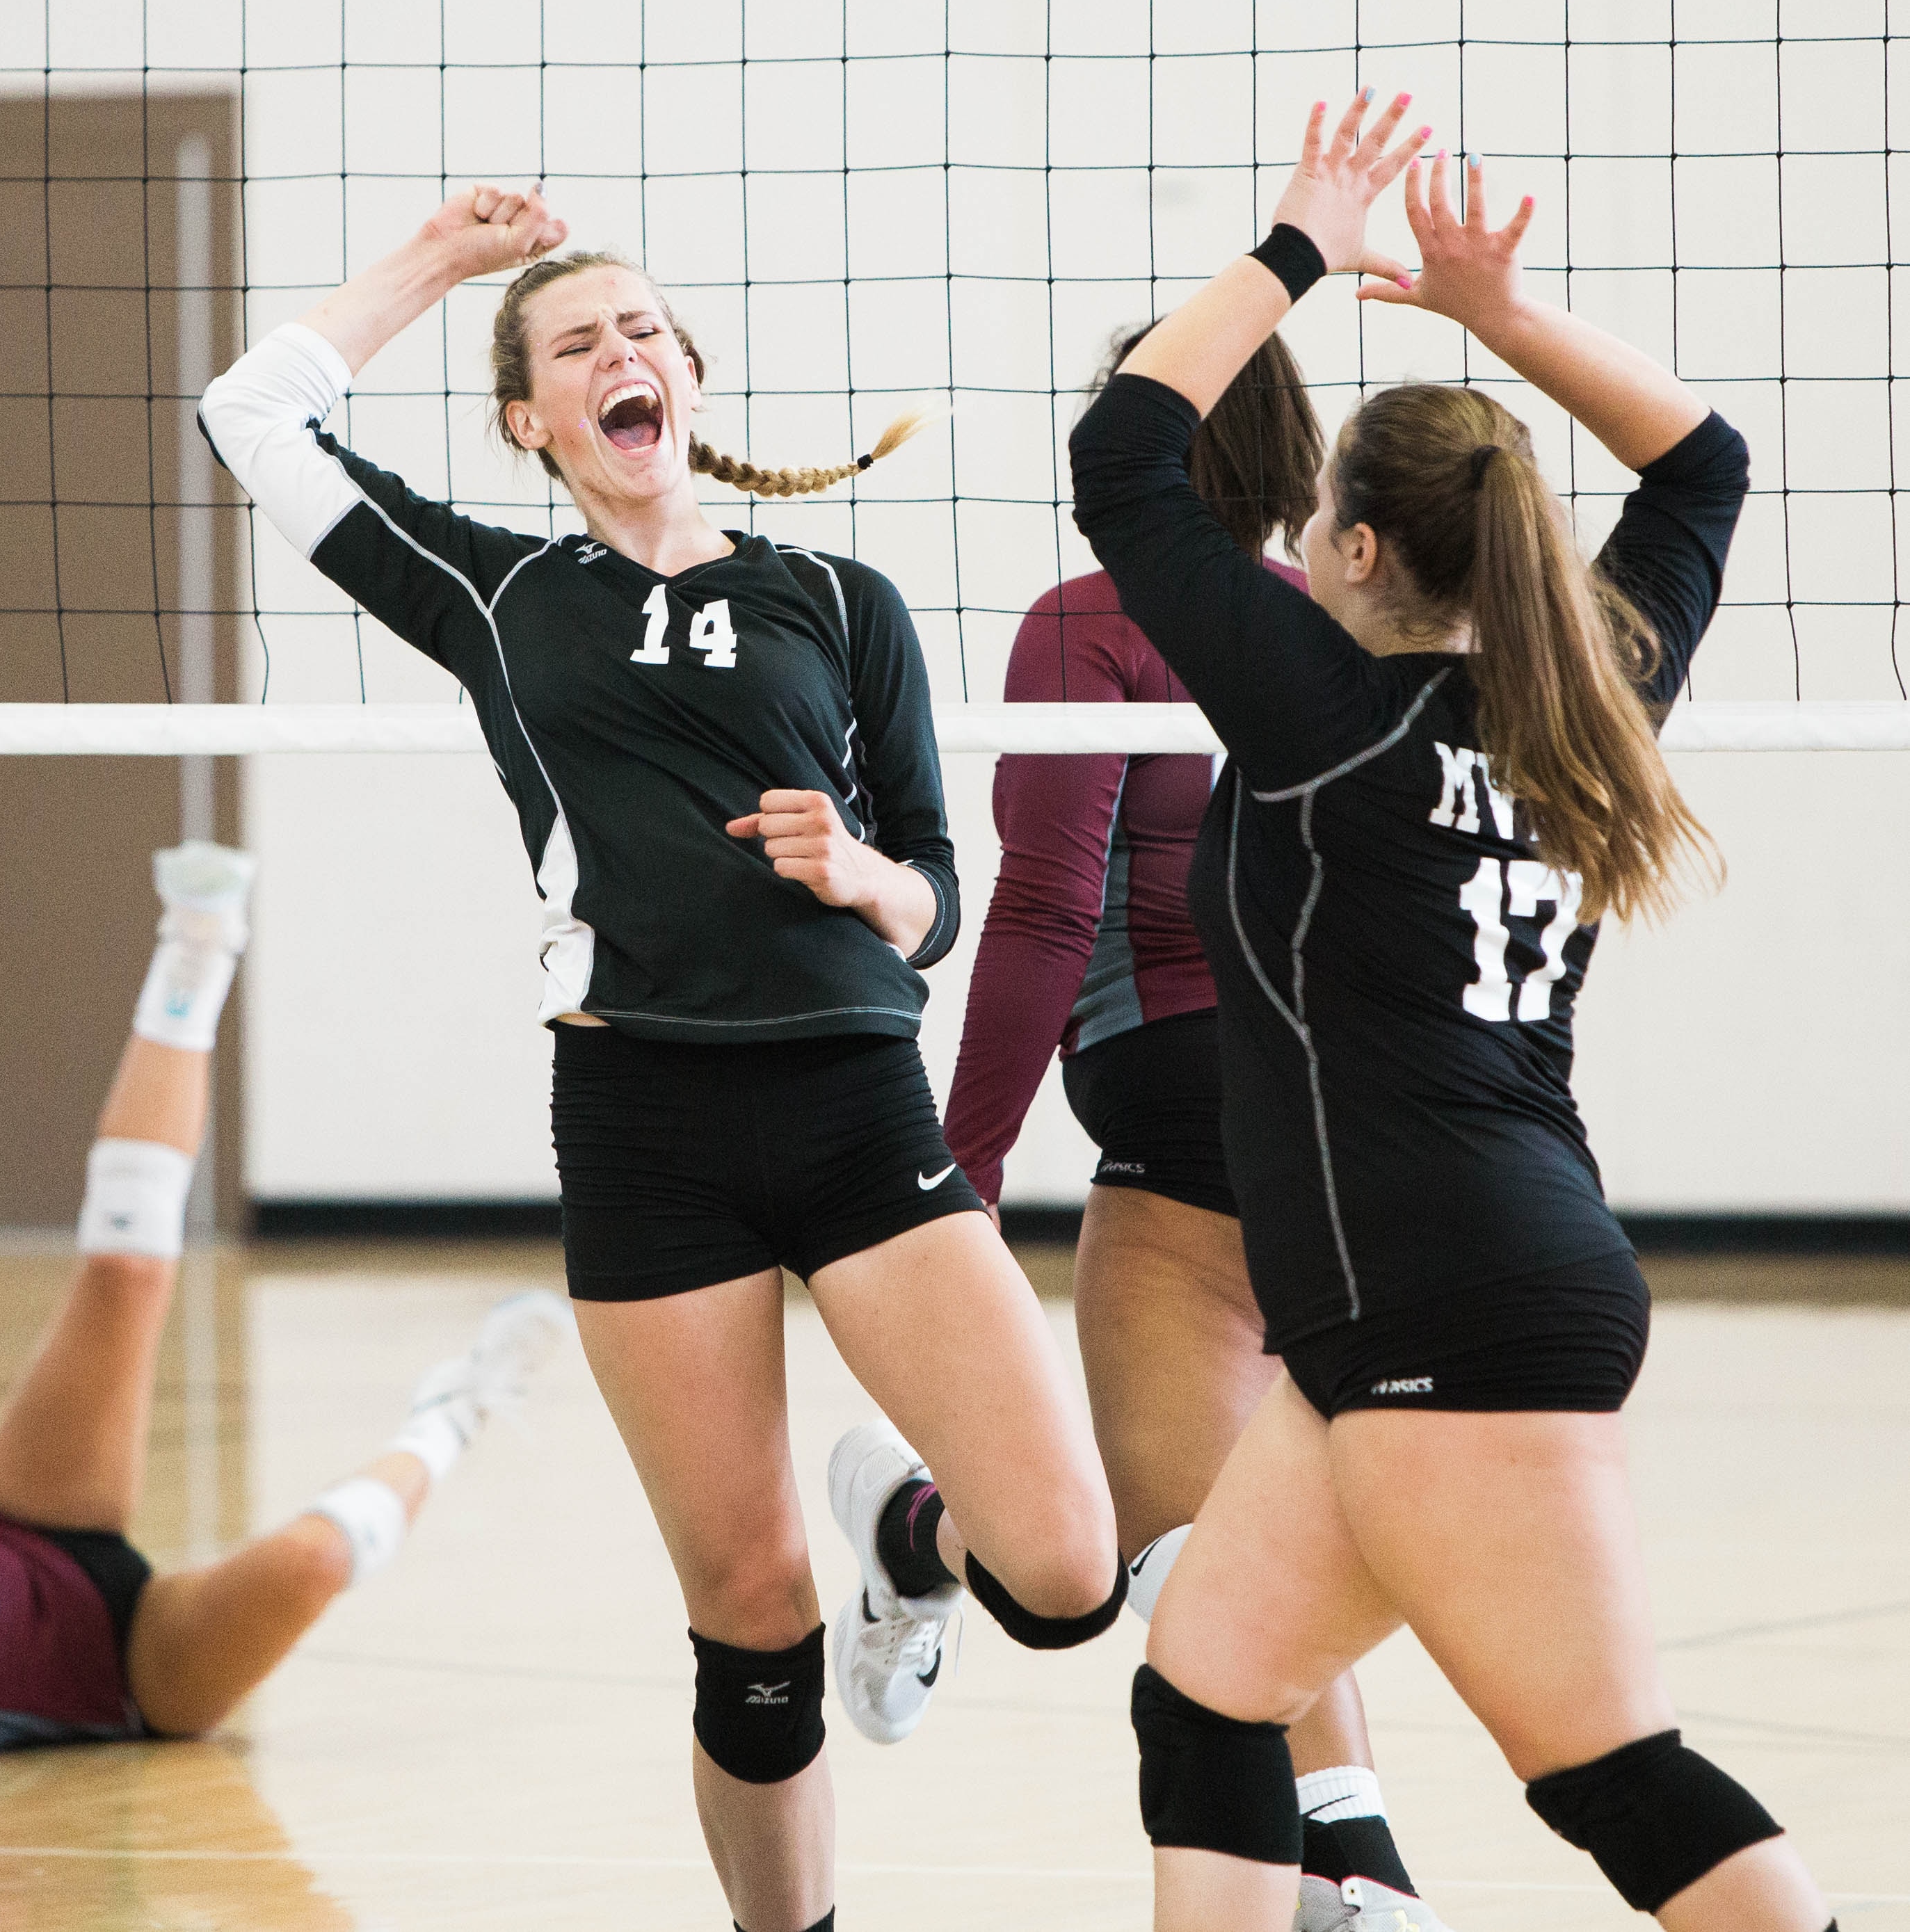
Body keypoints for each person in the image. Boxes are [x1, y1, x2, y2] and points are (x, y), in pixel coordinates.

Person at [199, 188, 1122, 1932]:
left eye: (640, 330)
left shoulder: (842, 600)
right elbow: (251, 413)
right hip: (644, 1118)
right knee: (749, 1609)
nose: (618, 354)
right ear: (529, 421)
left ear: (687, 378)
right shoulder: (492, 590)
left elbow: (935, 900)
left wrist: (863, 876)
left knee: (1068, 1573)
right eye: (572, 344)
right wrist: (446, 264)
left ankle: (904, 1538)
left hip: (852, 1099)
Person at [1072, 93, 1838, 1932]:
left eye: (1324, 511)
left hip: (1446, 1298)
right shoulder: (1589, 699)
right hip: (1428, 1290)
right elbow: (1703, 467)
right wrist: (1494, 318)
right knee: (1205, 1696)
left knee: (1603, 1770)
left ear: (1338, 551)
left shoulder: (1324, 718)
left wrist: (1295, 250)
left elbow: (1123, 453)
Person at [0, 842, 568, 1798]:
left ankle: (198, 945)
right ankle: (456, 1412)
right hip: (136, 1670)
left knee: (125, 1271)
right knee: (310, 1559)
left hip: (31, 1525)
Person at [945, 333, 1451, 1932]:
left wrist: (952, 1179)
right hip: (1366, 1126)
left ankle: (910, 1531)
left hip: (1180, 1120)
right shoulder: (1353, 628)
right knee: (1258, 1529)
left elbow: (1040, 908)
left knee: (1169, 1558)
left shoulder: (1096, 617)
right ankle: (1361, 1863)